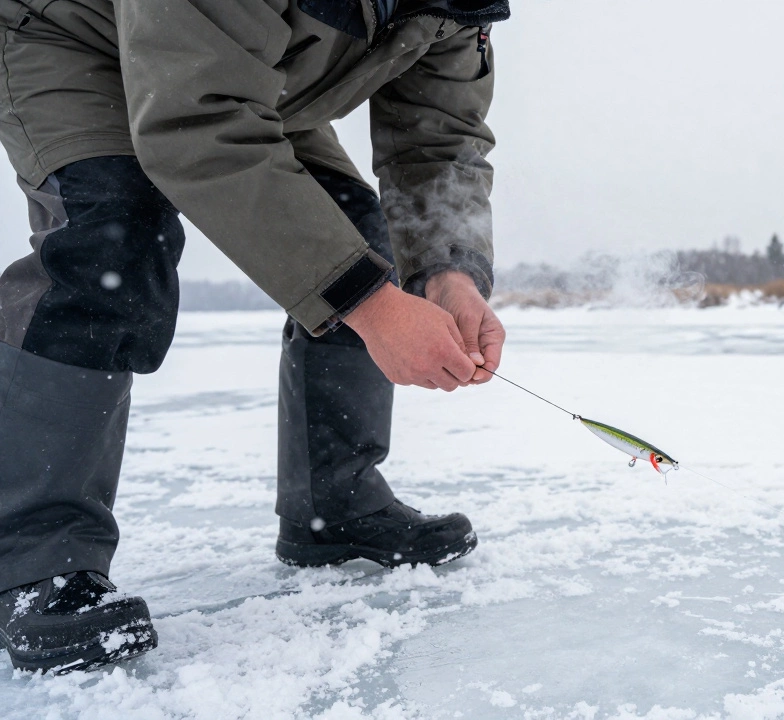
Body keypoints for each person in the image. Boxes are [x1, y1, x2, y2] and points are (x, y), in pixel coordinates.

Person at [0, 0, 509, 673]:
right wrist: (372, 308)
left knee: (354, 238)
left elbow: (438, 139)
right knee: (110, 242)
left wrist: (450, 271)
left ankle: (332, 508)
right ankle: (38, 563)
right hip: (72, 34)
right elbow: (199, 122)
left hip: (237, 71)